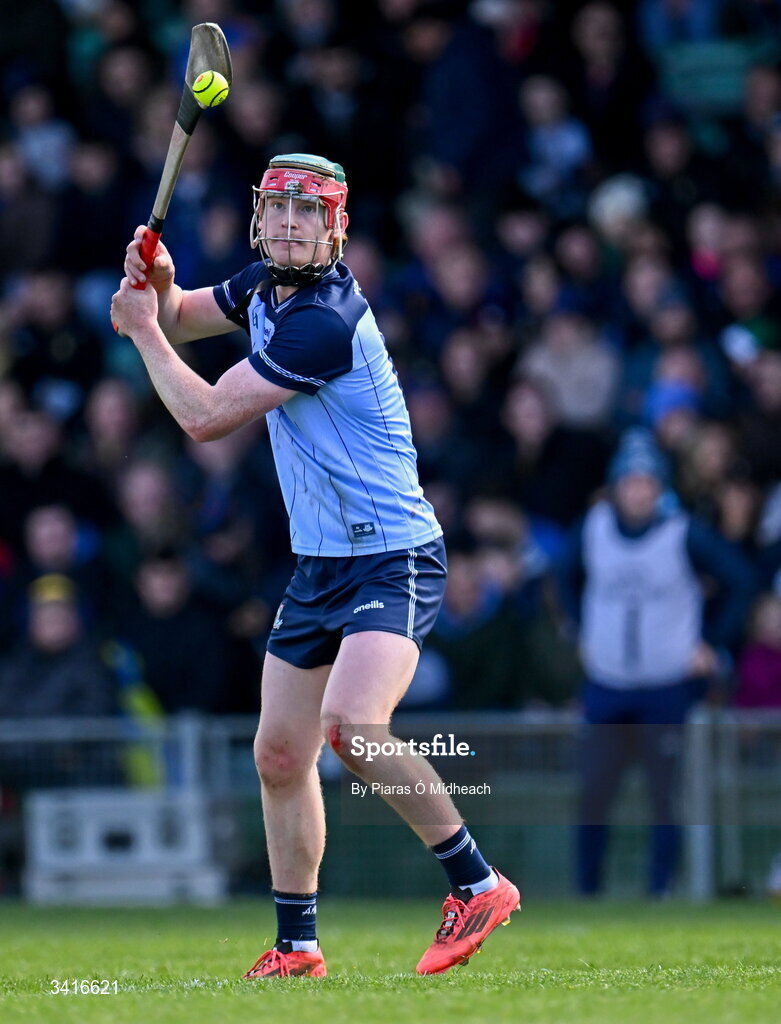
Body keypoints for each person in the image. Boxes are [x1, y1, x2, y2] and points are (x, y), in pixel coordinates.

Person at [112, 153, 520, 978]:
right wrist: (161, 284)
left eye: (309, 212)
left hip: (392, 556)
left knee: (354, 727)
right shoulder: (263, 285)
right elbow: (190, 314)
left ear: (336, 229)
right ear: (259, 221)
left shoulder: (323, 321)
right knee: (280, 755)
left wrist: (142, 331)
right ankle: (296, 943)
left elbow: (204, 416)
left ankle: (475, 881)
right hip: (318, 565)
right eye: (279, 210)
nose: (291, 224)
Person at [556, 428, 756, 897]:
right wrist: (577, 629)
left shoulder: (684, 532)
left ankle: (659, 890)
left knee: (666, 797)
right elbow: (562, 576)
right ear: (616, 486)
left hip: (666, 684)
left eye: (648, 483)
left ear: (660, 488)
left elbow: (741, 581)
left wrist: (711, 643)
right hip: (606, 682)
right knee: (593, 795)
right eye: (631, 482)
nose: (639, 491)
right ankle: (588, 892)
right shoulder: (593, 526)